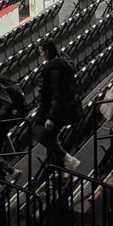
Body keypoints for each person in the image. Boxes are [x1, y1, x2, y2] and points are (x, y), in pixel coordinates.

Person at [32, 38, 82, 170]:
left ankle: (65, 162)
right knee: (50, 137)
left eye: (41, 52)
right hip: (65, 109)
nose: (40, 55)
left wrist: (51, 117)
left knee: (41, 133)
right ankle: (61, 167)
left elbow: (57, 95)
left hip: (58, 111)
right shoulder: (62, 64)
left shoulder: (54, 70)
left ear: (47, 52)